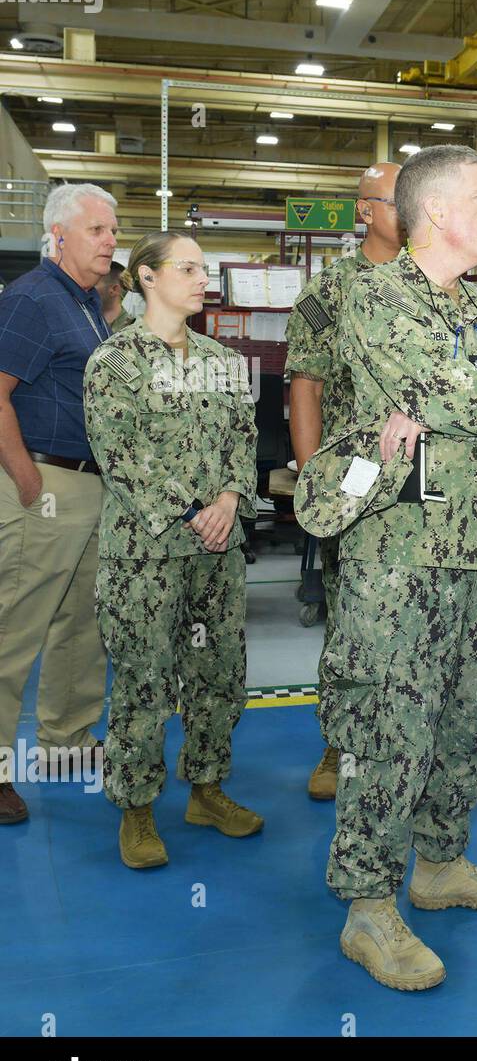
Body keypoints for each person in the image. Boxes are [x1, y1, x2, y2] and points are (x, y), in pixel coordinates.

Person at [325, 145, 477, 991]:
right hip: (399, 558)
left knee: (465, 721)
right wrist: (472, 401)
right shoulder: (374, 295)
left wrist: (464, 403)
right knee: (390, 728)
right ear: (438, 213)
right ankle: (368, 906)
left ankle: (440, 863)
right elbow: (447, 389)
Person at [84, 230, 261, 869]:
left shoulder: (222, 360)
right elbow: (120, 455)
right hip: (147, 554)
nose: (200, 277)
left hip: (218, 550)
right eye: (186, 267)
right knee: (144, 679)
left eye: (203, 268)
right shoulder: (116, 362)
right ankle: (136, 809)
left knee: (220, 675)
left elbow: (245, 438)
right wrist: (192, 512)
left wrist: (230, 501)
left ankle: (206, 790)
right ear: (147, 277)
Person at [0, 183, 118, 826]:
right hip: (43, 485)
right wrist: (25, 481)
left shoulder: (87, 304)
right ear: (60, 235)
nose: (110, 241)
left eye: (112, 230)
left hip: (88, 483)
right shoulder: (32, 300)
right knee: (14, 630)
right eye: (98, 230)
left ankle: (65, 744)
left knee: (80, 624)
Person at [286, 161, 403, 800]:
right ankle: (338, 743)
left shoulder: (432, 282)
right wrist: (314, 486)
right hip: (355, 483)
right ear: (365, 211)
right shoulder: (329, 292)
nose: (411, 208)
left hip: (426, 489)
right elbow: (306, 386)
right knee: (349, 619)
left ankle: (409, 738)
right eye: (396, 198)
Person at [96, 262, 136, 334]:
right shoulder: (86, 321)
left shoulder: (131, 330)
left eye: (94, 284)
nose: (87, 288)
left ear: (114, 290)